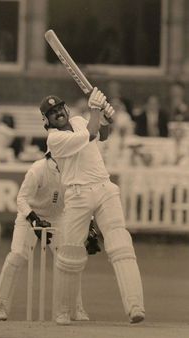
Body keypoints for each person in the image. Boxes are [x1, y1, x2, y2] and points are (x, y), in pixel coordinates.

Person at [40, 88, 145, 325]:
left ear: (66, 109)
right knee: (70, 254)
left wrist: (106, 118)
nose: (58, 114)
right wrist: (96, 110)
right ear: (46, 120)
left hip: (104, 187)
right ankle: (63, 310)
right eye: (52, 112)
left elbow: (102, 135)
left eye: (59, 108)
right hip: (78, 196)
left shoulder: (78, 120)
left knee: (121, 245)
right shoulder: (54, 139)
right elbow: (89, 134)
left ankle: (135, 306)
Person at [0, 152, 100, 321]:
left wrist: (90, 227)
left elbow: (82, 201)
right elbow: (21, 199)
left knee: (70, 261)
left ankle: (74, 308)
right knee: (17, 255)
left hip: (58, 218)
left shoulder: (75, 171)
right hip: (30, 215)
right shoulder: (38, 169)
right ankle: (0, 305)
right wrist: (34, 219)